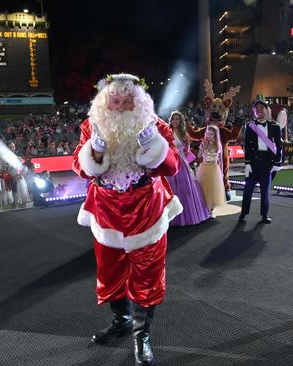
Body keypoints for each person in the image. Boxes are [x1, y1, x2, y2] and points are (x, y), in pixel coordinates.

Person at [71, 74, 182, 366]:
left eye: (127, 101)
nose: (120, 107)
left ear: (140, 102)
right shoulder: (91, 126)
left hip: (146, 206)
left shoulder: (156, 126)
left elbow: (173, 168)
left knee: (147, 275)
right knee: (109, 275)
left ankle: (141, 336)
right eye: (115, 101)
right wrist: (93, 151)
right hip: (106, 208)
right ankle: (121, 321)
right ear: (105, 102)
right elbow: (80, 169)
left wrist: (155, 146)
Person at [238, 100, 282, 224]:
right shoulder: (250, 126)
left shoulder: (274, 126)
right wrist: (247, 163)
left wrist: (276, 163)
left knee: (265, 190)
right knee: (248, 190)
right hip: (253, 161)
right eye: (256, 108)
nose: (259, 110)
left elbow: (279, 146)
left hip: (267, 161)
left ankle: (264, 215)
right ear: (254, 112)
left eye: (261, 108)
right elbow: (246, 145)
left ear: (266, 110)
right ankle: (243, 213)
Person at [166, 111, 209, 226]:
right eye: (173, 119)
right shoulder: (166, 133)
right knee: (171, 190)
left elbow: (187, 151)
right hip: (170, 163)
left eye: (177, 119)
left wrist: (185, 158)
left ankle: (185, 215)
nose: (175, 121)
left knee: (185, 189)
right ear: (170, 120)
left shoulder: (184, 134)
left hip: (182, 164)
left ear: (180, 121)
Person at [196, 125, 226, 218]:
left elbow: (220, 159)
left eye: (211, 134)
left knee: (213, 189)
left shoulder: (218, 145)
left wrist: (221, 171)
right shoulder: (204, 143)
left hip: (214, 168)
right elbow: (199, 156)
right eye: (208, 134)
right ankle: (204, 210)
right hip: (204, 167)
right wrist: (203, 147)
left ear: (215, 135)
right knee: (204, 189)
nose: (209, 136)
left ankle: (211, 211)